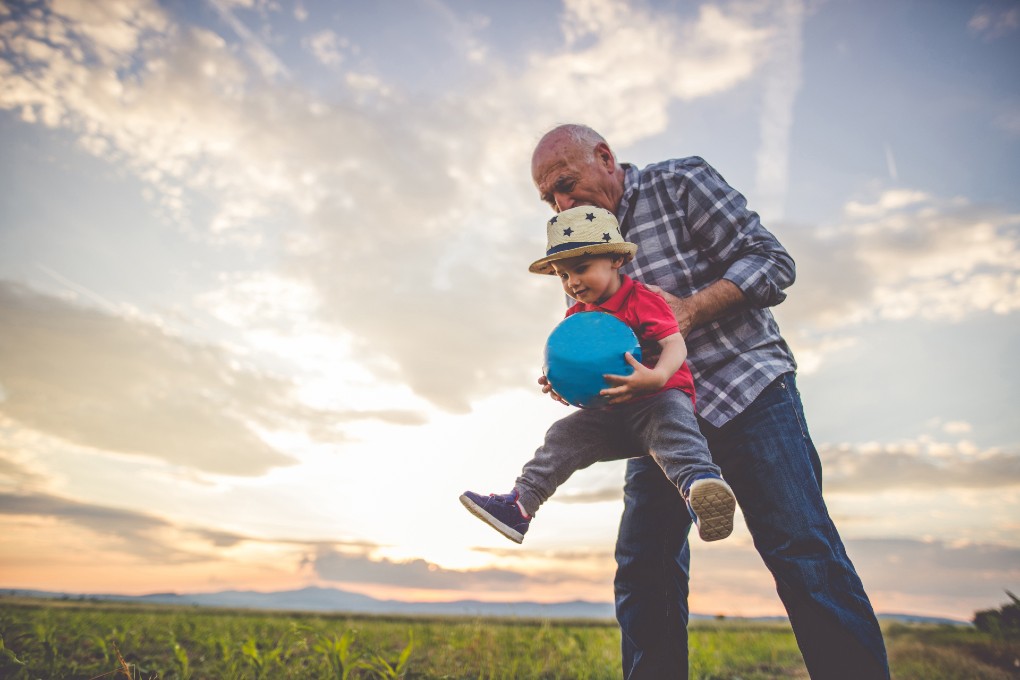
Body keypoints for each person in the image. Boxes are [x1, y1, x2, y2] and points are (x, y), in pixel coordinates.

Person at [530, 124, 890, 680]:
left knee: (803, 551)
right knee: (644, 568)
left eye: (567, 183)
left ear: (605, 157)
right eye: (549, 197)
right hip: (660, 418)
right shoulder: (573, 237)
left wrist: (691, 310)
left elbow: (772, 261)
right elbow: (591, 329)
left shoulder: (680, 182)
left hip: (749, 389)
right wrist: (569, 373)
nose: (560, 202)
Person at [459, 204, 737, 547]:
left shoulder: (642, 299)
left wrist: (658, 377)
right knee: (561, 435)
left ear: (615, 260)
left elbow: (674, 344)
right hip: (608, 414)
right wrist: (560, 383)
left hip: (656, 400)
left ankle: (701, 491)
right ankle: (520, 506)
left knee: (673, 430)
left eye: (581, 268)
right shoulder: (576, 314)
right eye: (563, 275)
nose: (572, 282)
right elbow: (574, 361)